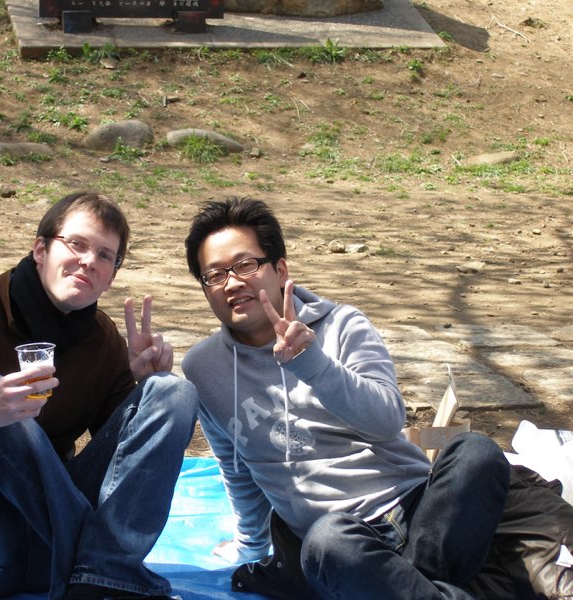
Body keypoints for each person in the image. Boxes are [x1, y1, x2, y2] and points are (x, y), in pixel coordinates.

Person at [181, 197, 511, 599]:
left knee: (477, 451)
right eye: (214, 275)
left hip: (418, 512)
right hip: (339, 543)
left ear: (280, 270)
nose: (232, 283)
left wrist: (312, 363)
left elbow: (387, 420)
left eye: (246, 265)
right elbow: (236, 468)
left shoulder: (343, 324)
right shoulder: (203, 368)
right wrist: (249, 546)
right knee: (328, 540)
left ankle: (400, 585)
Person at [0, 191, 198, 600]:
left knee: (173, 392)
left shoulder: (102, 340)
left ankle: (101, 572)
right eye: (76, 244)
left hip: (54, 552)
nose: (89, 261)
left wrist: (143, 388)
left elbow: (122, 465)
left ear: (110, 277)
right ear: (40, 249)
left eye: (105, 255)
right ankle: (106, 571)